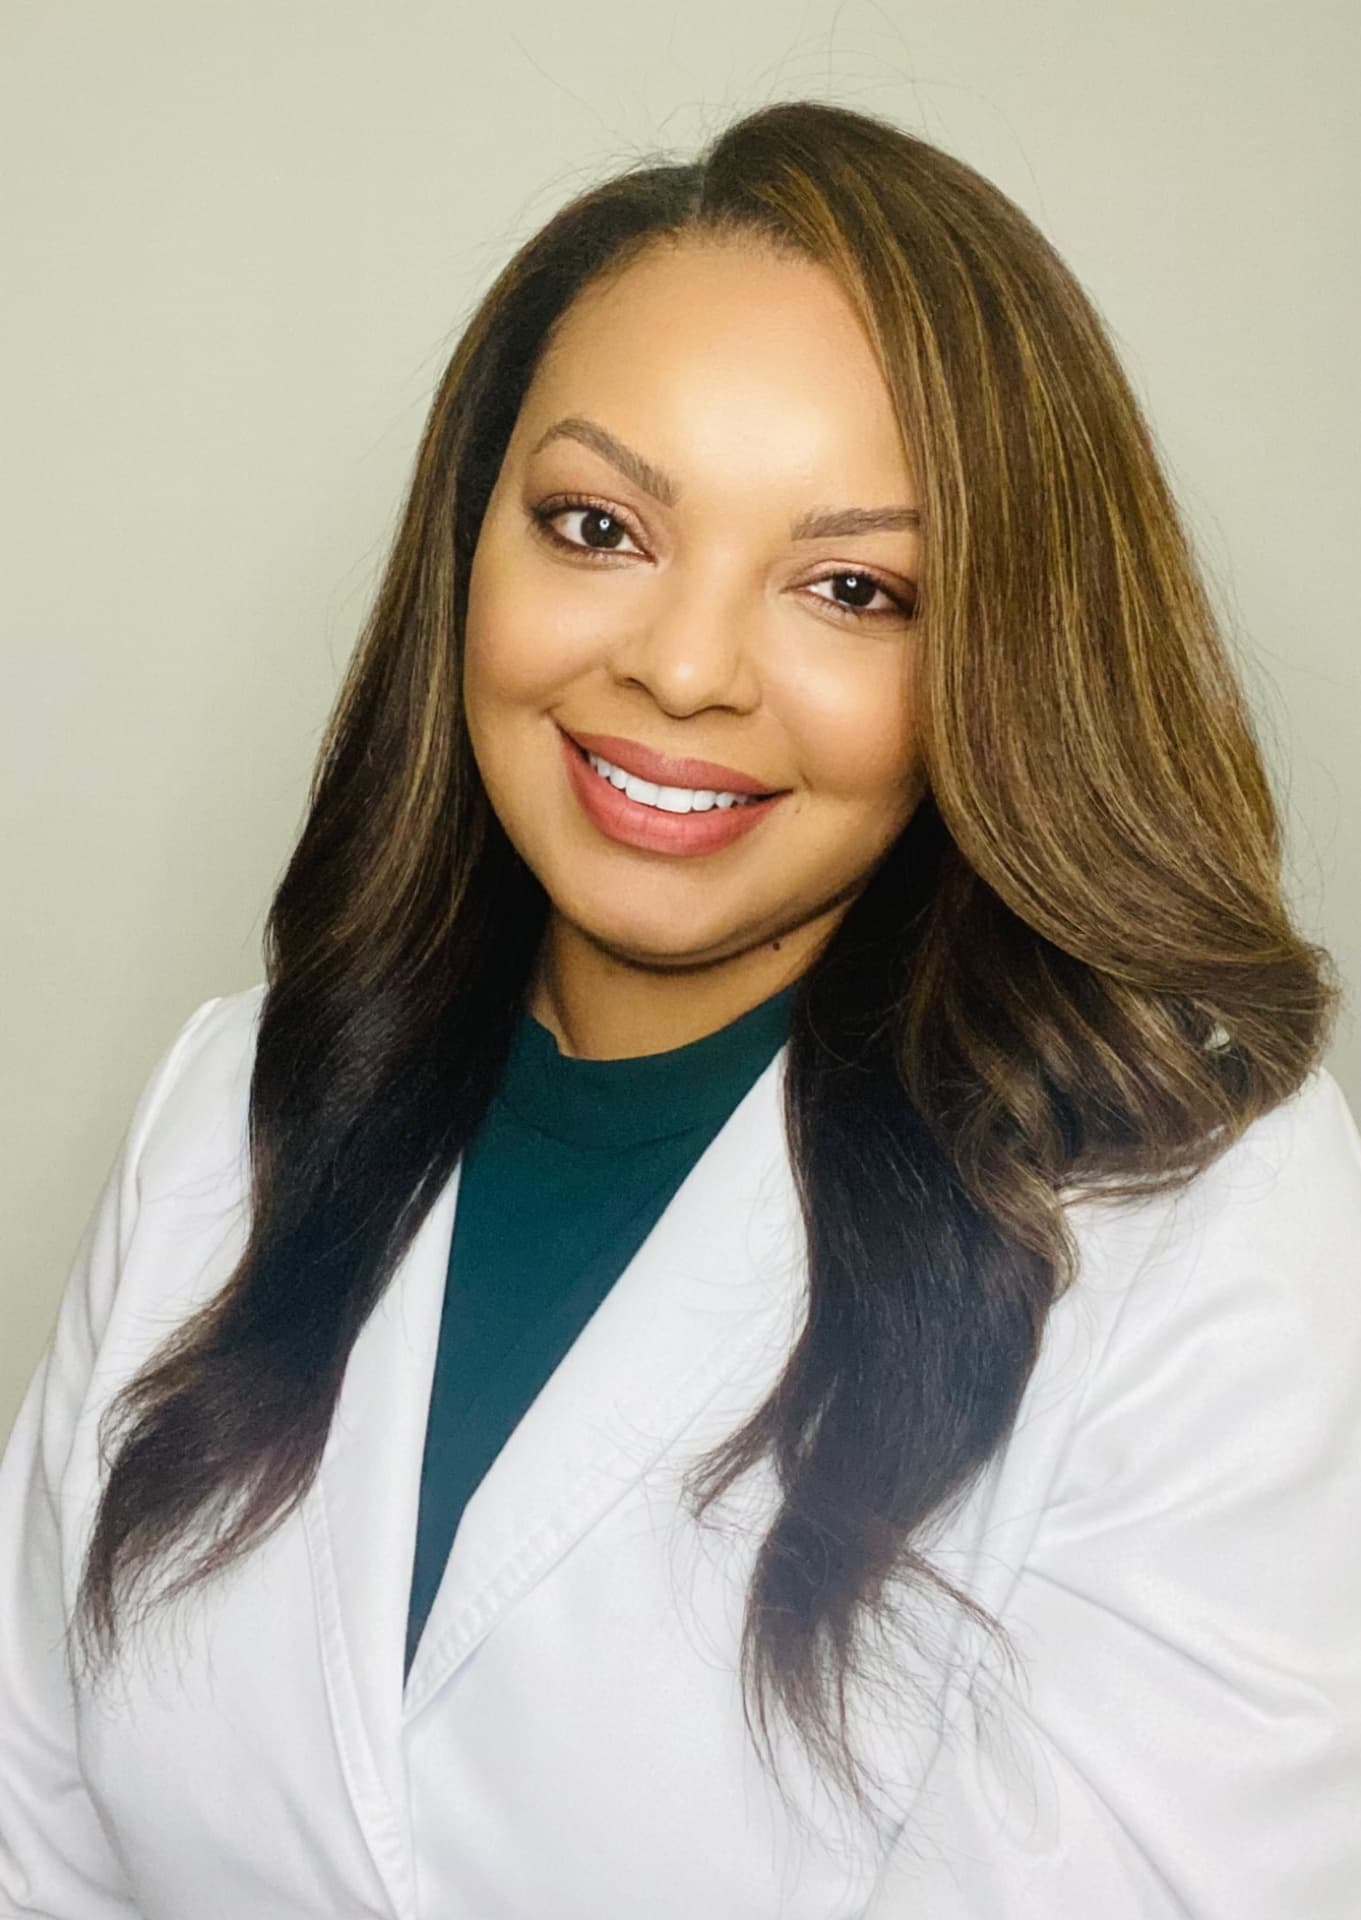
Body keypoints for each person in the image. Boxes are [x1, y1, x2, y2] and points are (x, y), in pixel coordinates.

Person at [1, 96, 1358, 1920]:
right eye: (597, 525)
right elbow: (37, 1836)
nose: (684, 665)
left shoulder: (1191, 1201)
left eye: (851, 588)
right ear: (466, 546)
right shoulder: (228, 1105)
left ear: (996, 663)